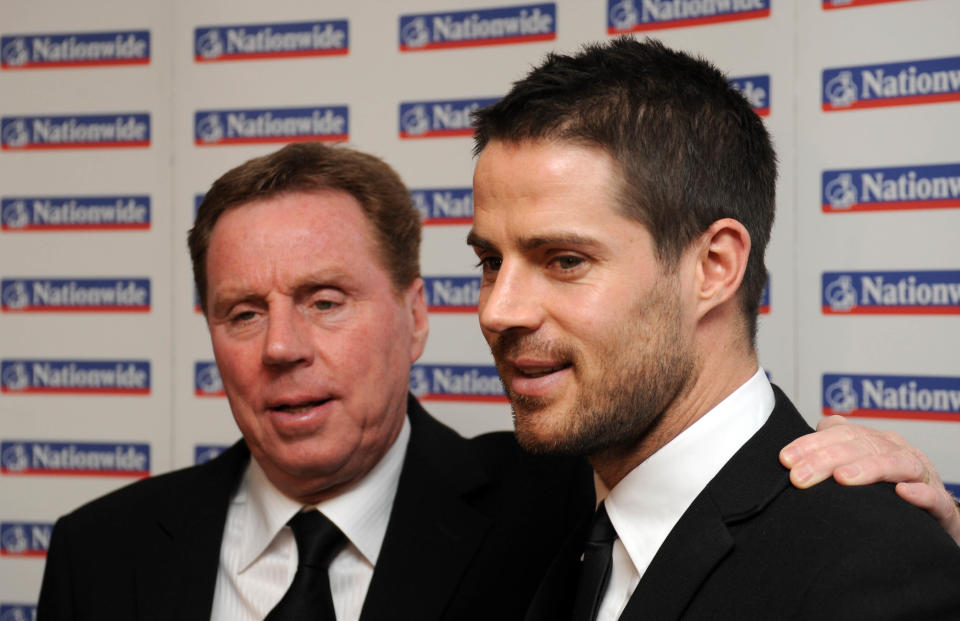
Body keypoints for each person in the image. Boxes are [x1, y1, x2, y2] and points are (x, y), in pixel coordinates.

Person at [36, 140, 955, 618]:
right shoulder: (101, 555)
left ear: (417, 312)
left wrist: (878, 501)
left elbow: (713, 478)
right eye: (243, 312)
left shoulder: (557, 501)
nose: (280, 347)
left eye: (324, 301)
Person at [467, 38, 960, 620]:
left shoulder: (867, 568)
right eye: (491, 262)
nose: (498, 311)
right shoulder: (513, 510)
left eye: (565, 260)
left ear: (714, 267)